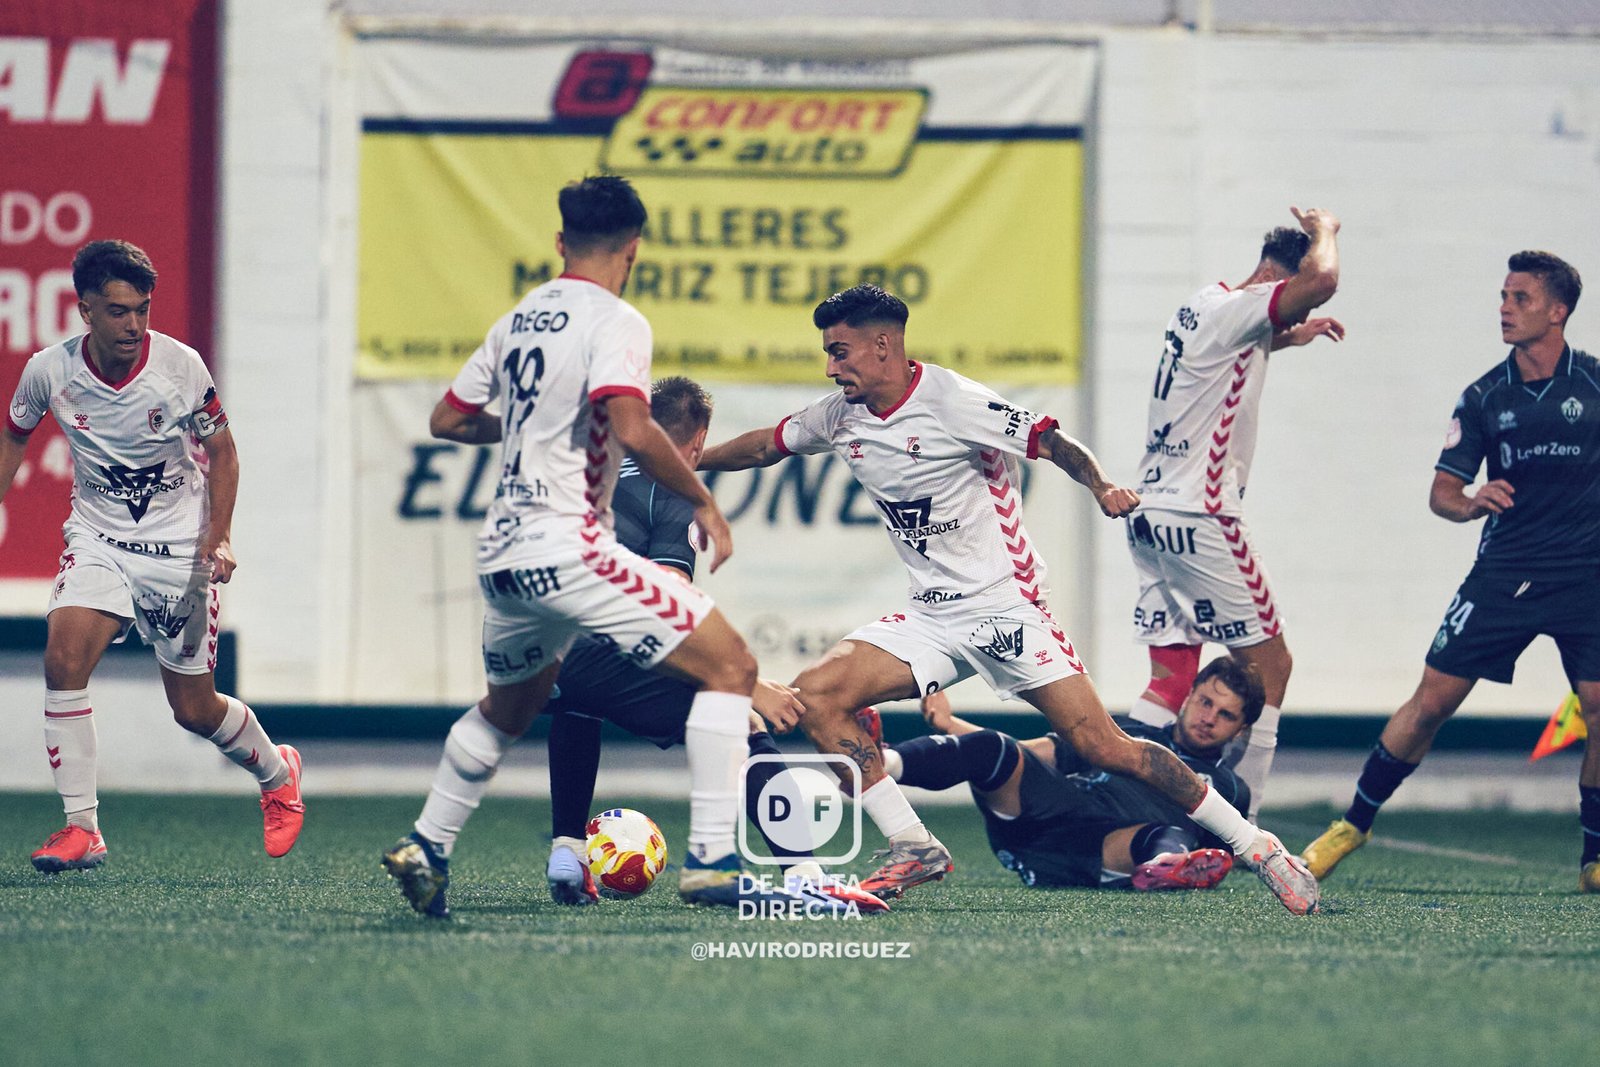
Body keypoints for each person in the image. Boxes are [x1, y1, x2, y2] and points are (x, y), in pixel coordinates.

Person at [699, 284, 1319, 914]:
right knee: (818, 696)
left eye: (840, 351)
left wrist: (1101, 484)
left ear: (883, 344)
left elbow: (1054, 442)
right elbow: (762, 446)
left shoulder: (952, 400)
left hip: (1005, 606)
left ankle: (1257, 845)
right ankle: (914, 844)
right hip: (932, 614)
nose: (831, 367)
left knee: (1107, 746)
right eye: (828, 354)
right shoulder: (841, 415)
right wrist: (686, 460)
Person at [382, 177, 799, 917]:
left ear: (559, 242)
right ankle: (710, 859)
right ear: (633, 249)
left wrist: (527, 432)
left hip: (503, 554)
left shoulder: (520, 318)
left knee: (510, 710)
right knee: (732, 665)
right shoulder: (618, 320)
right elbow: (635, 427)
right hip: (569, 543)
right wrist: (704, 501)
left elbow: (449, 418)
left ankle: (429, 842)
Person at [0, 239, 304, 871]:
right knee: (61, 658)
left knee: (193, 709)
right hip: (99, 539)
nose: (134, 325)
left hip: (176, 551)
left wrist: (219, 537)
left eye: (142, 309)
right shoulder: (49, 372)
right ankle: (82, 829)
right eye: (118, 311)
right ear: (84, 311)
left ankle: (278, 775)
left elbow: (222, 452)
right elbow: (13, 435)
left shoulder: (180, 368)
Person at [1303, 250, 1600, 893]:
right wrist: (1469, 504)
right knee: (1432, 703)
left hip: (1587, 579)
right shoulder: (1485, 396)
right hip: (1505, 575)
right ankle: (1353, 823)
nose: (1504, 308)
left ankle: (1594, 859)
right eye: (1503, 296)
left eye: (1519, 298)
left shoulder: (1596, 385)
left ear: (1559, 310)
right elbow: (1442, 491)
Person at [532, 376, 879, 911]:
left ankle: (567, 850)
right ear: (696, 442)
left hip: (535, 646)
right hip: (598, 643)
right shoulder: (672, 488)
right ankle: (804, 874)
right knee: (743, 723)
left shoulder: (584, 474)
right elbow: (665, 595)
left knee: (579, 706)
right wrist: (750, 685)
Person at [1126, 206, 1343, 819]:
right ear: (1284, 279)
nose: (1297, 311)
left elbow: (1229, 352)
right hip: (1202, 517)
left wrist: (1294, 334)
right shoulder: (1253, 307)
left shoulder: (1204, 304)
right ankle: (1242, 827)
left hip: (1148, 516)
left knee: (1171, 679)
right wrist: (1326, 230)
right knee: (1271, 665)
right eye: (1292, 302)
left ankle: (1122, 801)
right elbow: (1321, 280)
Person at [873, 656, 1262, 891]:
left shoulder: (1230, 789)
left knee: (1167, 840)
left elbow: (1227, 855)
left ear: (1241, 729)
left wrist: (1277, 859)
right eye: (1205, 702)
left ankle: (1164, 871)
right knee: (995, 749)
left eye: (1225, 714)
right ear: (1190, 695)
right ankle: (879, 763)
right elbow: (1034, 754)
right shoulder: (1132, 734)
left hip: (1109, 848)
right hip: (1048, 822)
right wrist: (949, 724)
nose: (1208, 718)